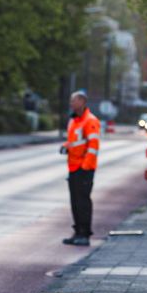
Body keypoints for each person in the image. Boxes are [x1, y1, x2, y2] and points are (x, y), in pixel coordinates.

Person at [61, 90, 100, 246]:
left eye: (74, 101)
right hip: (73, 167)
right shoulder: (74, 121)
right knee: (75, 202)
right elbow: (73, 141)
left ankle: (84, 233)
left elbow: (93, 146)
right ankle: (77, 232)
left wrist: (85, 167)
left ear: (82, 102)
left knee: (83, 201)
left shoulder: (90, 121)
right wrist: (65, 147)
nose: (71, 104)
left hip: (84, 168)